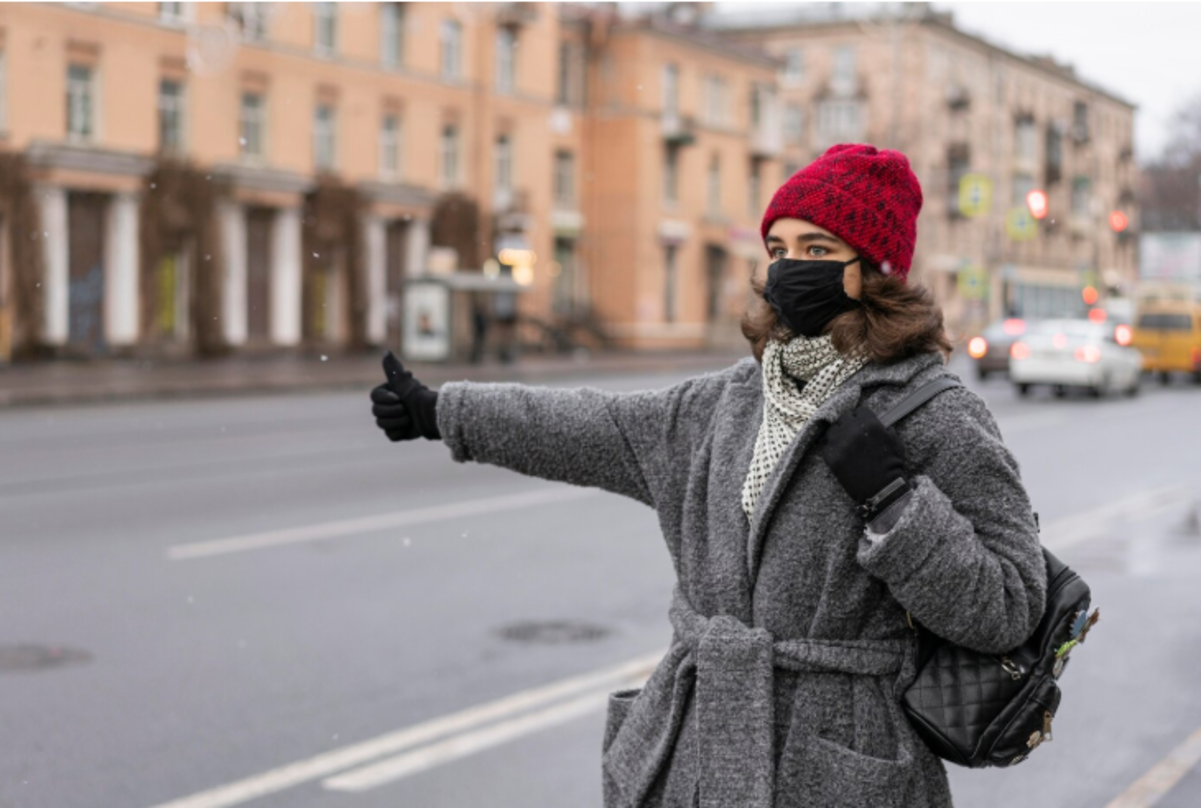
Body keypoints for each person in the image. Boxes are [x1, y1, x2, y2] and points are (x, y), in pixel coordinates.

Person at [369, 144, 1046, 808]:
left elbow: (1009, 608)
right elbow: (583, 426)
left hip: (841, 765)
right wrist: (442, 411)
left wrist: (898, 505)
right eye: (777, 250)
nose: (787, 270)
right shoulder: (723, 404)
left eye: (815, 251)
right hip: (694, 746)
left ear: (874, 270)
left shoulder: (935, 416)